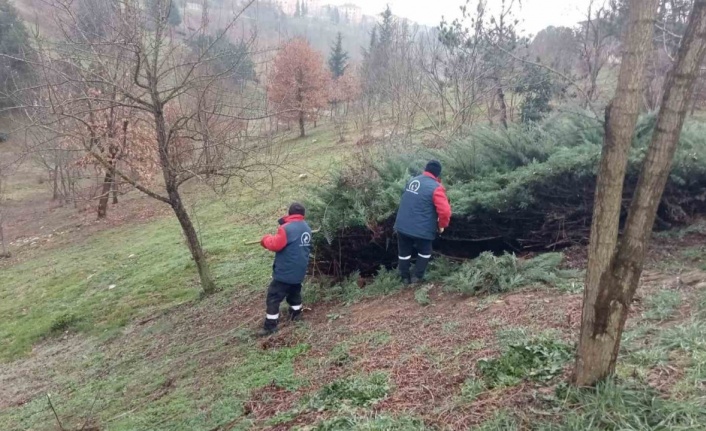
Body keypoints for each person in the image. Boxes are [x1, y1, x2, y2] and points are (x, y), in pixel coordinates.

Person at [393, 160, 452, 285]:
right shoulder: (436, 188)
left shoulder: (412, 181)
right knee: (425, 251)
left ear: (425, 169)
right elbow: (445, 211)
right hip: (422, 229)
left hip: (402, 225)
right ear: (438, 174)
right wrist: (442, 225)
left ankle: (404, 278)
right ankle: (416, 277)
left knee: (404, 252)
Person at [258, 202, 312, 336]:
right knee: (294, 292)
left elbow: (276, 244)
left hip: (285, 272)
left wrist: (265, 239)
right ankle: (296, 314)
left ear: (290, 213)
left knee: (273, 297)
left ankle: (270, 326)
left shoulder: (286, 228)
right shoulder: (307, 227)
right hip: (299, 270)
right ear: (302, 215)